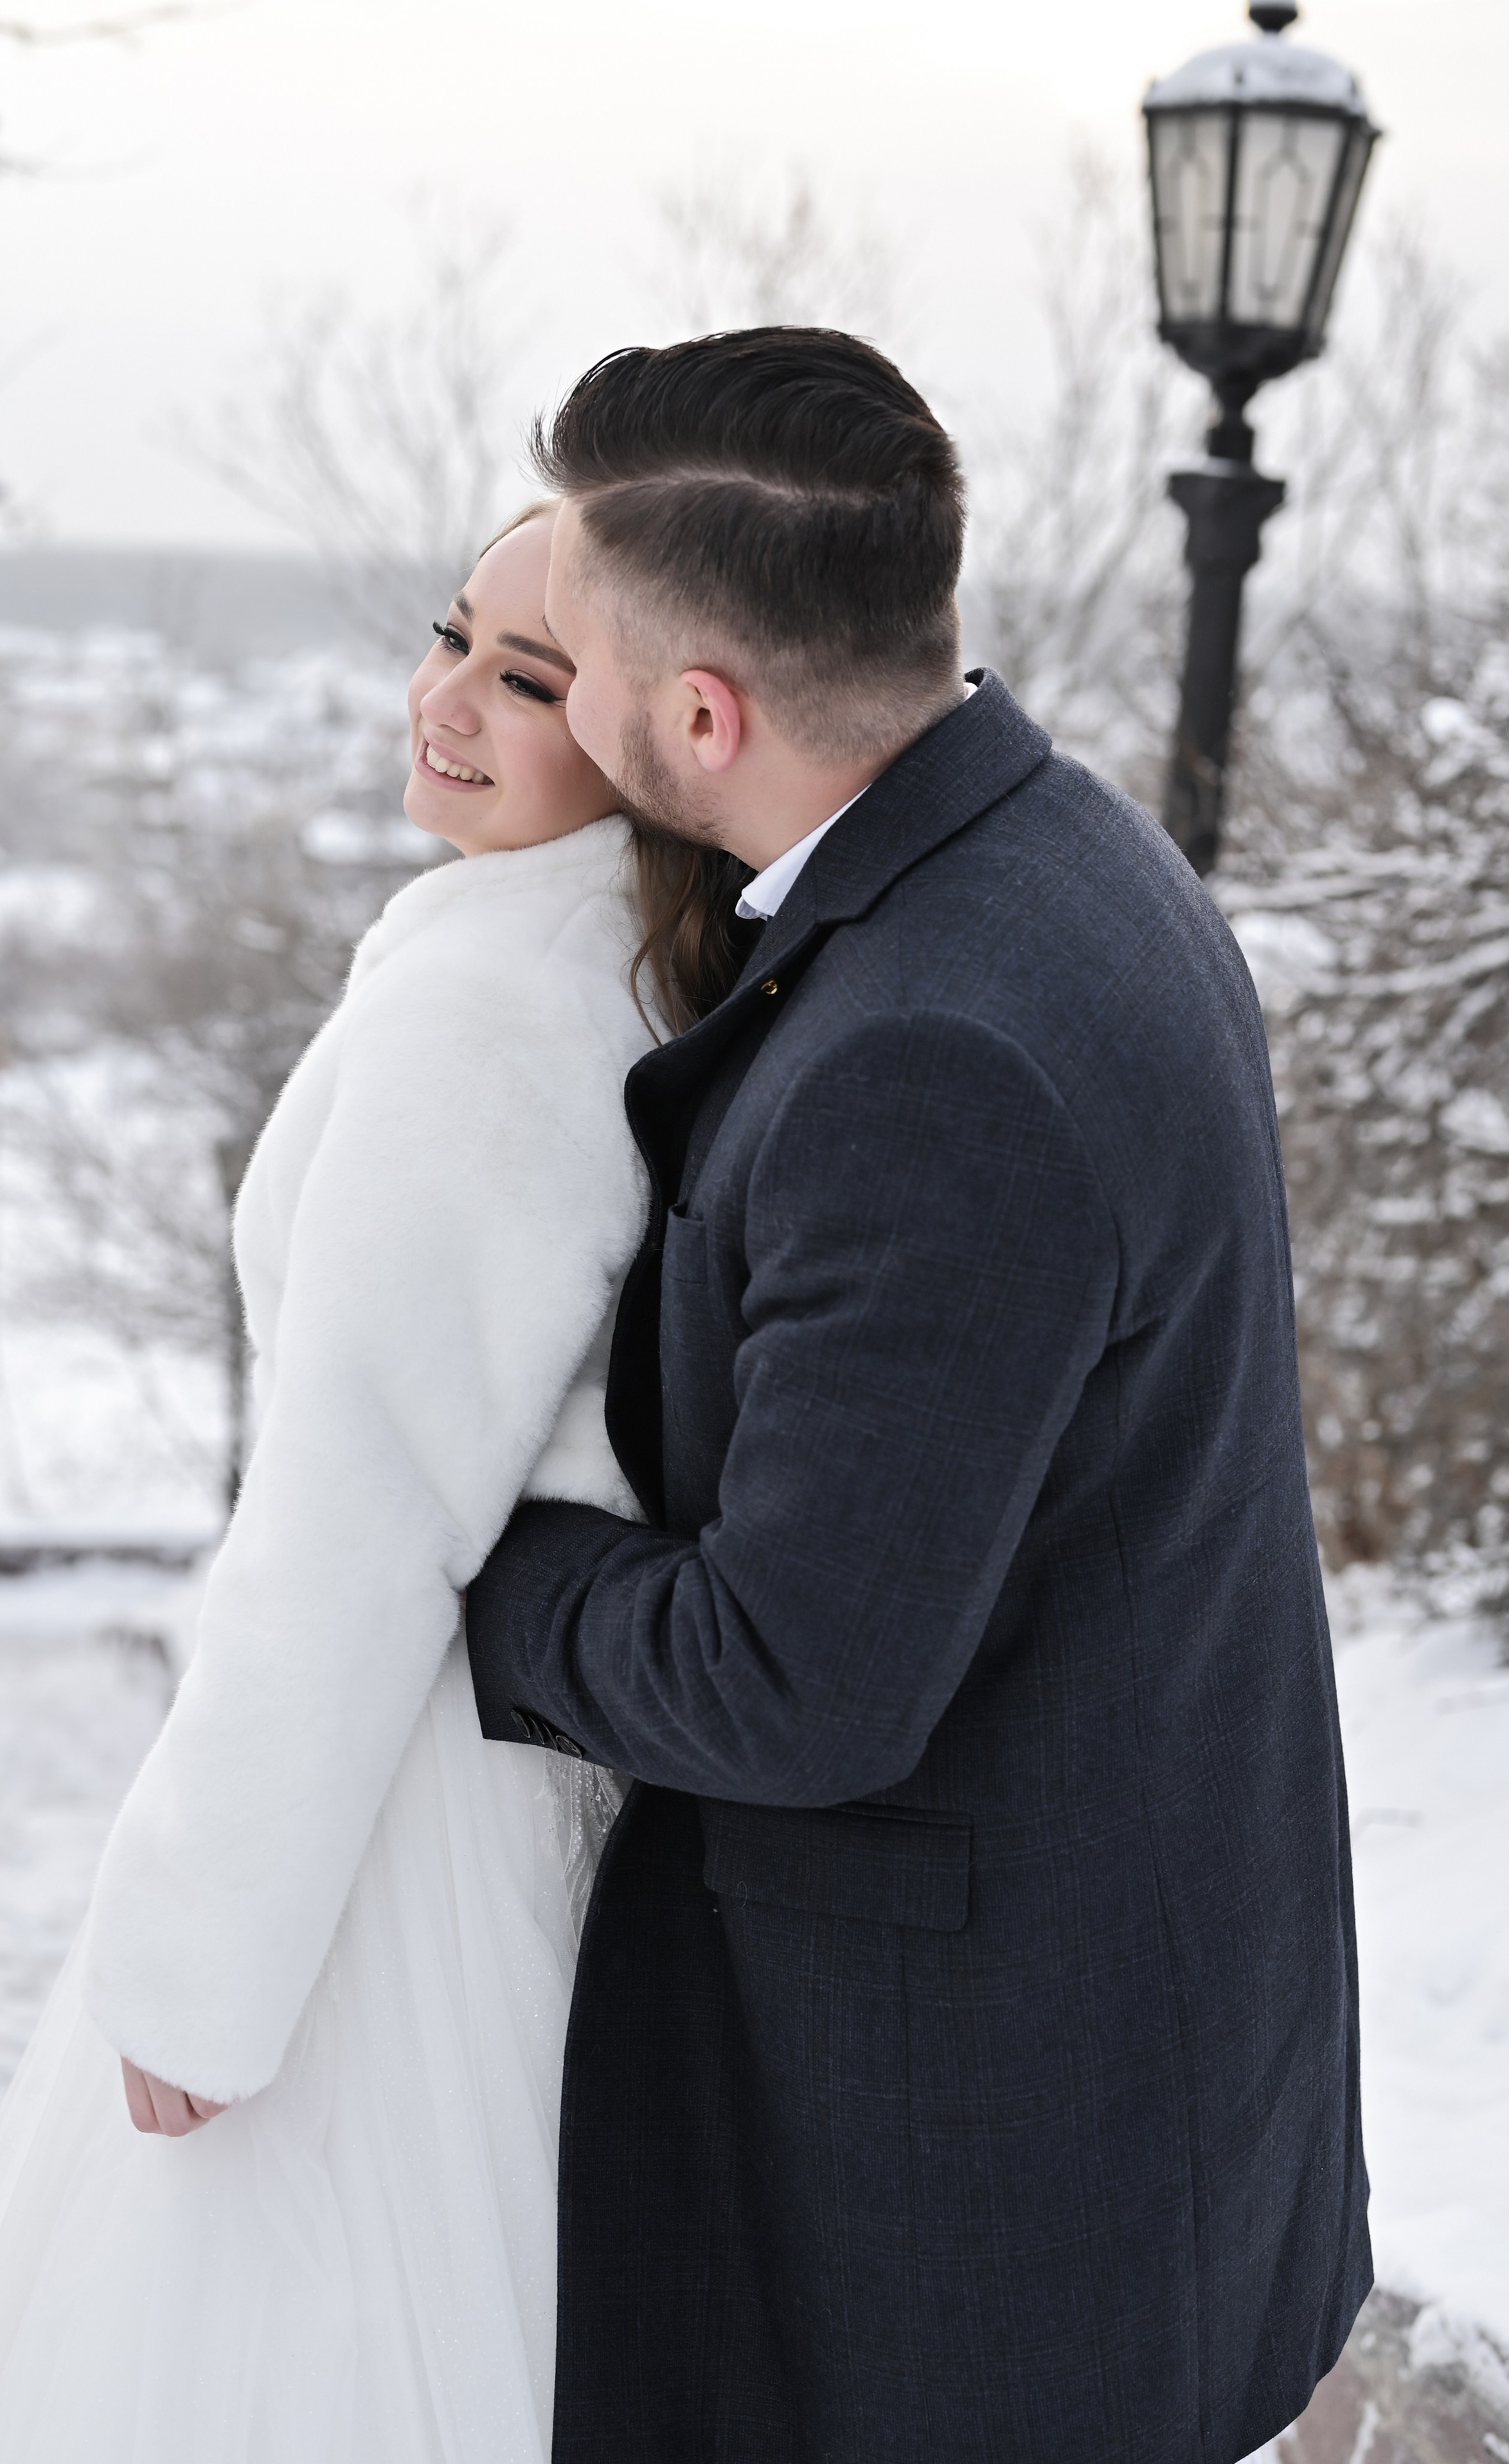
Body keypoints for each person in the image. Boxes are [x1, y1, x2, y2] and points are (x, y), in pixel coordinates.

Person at [463, 328, 1373, 2463]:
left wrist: (471, 1583)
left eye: (564, 659)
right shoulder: (1075, 862)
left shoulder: (928, 1056)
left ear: (701, 712)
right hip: (1136, 2047)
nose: (545, 705)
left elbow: (798, 1679)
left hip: (973, 2179)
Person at [0, 504, 744, 2464]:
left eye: (523, 679)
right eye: (450, 637)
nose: (442, 699)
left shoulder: (494, 1012)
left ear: (644, 724)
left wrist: (198, 1968)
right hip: (485, 1778)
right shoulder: (600, 960)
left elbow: (354, 1517)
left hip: (386, 1834)